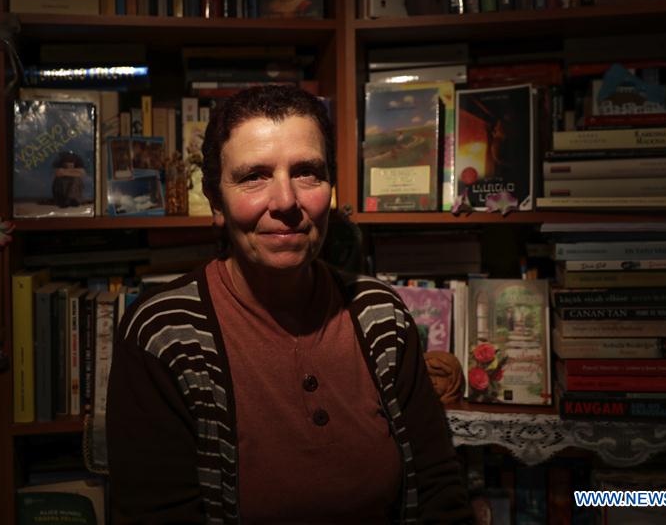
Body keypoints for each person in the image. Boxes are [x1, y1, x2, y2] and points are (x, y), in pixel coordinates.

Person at [107, 85, 472, 523]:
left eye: (307, 173)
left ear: (331, 188)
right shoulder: (163, 334)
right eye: (253, 176)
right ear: (216, 201)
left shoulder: (381, 315)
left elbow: (439, 492)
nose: (285, 202)